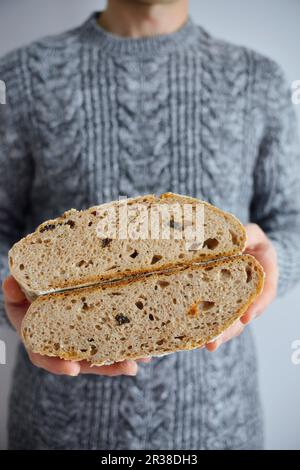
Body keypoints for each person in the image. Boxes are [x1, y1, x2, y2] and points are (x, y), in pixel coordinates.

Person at [0, 0, 299, 450]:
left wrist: (275, 263)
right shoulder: (21, 76)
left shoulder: (259, 80)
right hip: (57, 431)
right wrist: (12, 299)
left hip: (218, 429)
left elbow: (292, 222)